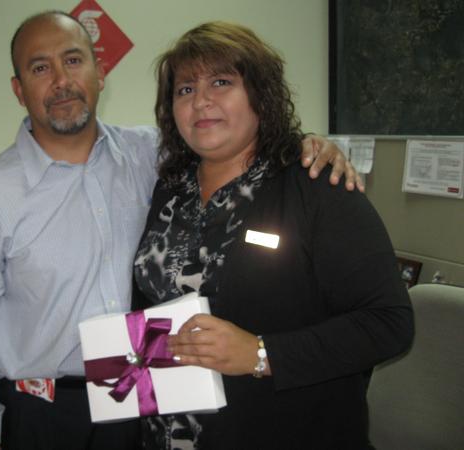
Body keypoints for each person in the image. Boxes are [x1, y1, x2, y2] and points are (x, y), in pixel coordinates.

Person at [0, 11, 359, 450]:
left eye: (73, 60)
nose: (61, 80)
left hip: (143, 397)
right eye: (40, 68)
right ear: (18, 89)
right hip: (46, 411)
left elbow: (230, 138)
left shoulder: (150, 154)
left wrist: (307, 146)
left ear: (100, 73)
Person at [132, 21, 414, 450]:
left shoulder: (315, 185)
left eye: (221, 82)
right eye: (185, 89)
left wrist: (262, 353)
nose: (201, 100)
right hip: (168, 432)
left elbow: (389, 322)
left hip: (285, 429)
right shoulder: (169, 190)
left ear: (260, 95)